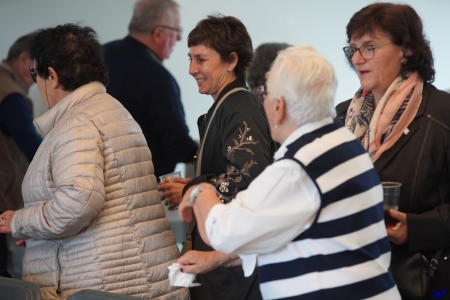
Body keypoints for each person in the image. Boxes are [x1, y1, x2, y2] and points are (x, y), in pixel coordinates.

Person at [177, 45, 400, 299]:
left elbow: (223, 232)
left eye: (265, 94)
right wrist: (217, 260)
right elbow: (293, 231)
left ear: (278, 106)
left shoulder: (298, 168)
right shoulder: (343, 142)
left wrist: (199, 190)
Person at [0, 24, 189, 300]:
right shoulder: (110, 110)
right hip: (134, 279)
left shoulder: (77, 124)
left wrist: (18, 220)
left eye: (36, 74)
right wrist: (38, 232)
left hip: (105, 284)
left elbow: (79, 200)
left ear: (51, 75)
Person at [335, 3, 450, 299]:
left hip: (415, 282)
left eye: (369, 47)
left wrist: (417, 228)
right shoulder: (341, 118)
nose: (357, 59)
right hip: (347, 278)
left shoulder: (442, 114)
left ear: (407, 49)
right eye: (353, 49)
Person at [160, 14, 276, 300]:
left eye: (201, 59)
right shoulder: (228, 105)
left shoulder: (240, 106)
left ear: (231, 60)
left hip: (233, 269)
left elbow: (249, 177)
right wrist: (193, 188)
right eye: (190, 59)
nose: (191, 69)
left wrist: (192, 189)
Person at [103, 0, 198, 178]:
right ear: (158, 33)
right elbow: (177, 146)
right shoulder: (158, 77)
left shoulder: (99, 56)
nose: (178, 38)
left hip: (96, 180)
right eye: (177, 31)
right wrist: (206, 154)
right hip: (144, 188)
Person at [0, 32, 42, 278]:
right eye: (36, 71)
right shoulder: (11, 94)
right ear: (24, 58)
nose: (38, 81)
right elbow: (33, 147)